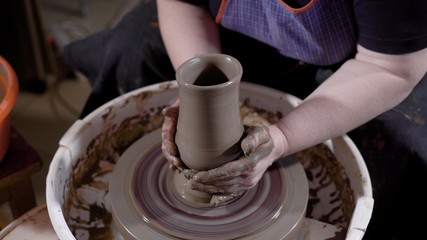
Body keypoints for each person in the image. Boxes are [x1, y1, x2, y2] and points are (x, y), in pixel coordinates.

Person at [62, 0, 427, 239]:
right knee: (133, 48)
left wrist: (282, 138)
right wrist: (195, 88)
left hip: (358, 65)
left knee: (401, 150)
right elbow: (181, 3)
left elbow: (390, 68)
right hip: (228, 39)